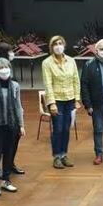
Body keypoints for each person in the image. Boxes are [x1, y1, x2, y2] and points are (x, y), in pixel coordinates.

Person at [0, 58, 24, 196]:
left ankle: (6, 180)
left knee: (9, 153)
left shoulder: (15, 85)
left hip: (11, 124)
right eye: (1, 67)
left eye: (6, 67)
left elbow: (18, 106)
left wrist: (21, 125)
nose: (4, 69)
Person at [42, 35, 82, 169]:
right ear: (51, 47)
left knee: (66, 128)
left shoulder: (71, 61)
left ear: (64, 45)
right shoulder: (47, 63)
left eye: (60, 43)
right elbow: (48, 84)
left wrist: (77, 99)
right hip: (56, 101)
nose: (58, 46)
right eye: (55, 44)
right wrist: (51, 103)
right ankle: (56, 156)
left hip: (70, 99)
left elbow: (76, 80)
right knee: (58, 129)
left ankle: (64, 154)